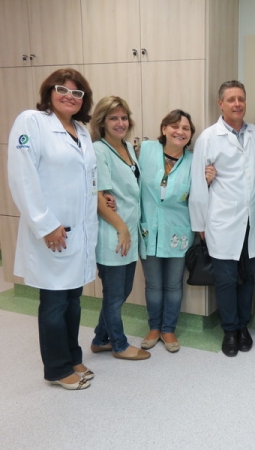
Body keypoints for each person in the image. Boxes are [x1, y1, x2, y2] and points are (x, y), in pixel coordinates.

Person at [8, 68, 97, 390]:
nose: (69, 97)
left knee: (73, 300)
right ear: (49, 92)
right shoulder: (32, 122)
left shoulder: (81, 131)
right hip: (52, 233)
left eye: (77, 93)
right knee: (55, 302)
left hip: (78, 231)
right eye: (62, 90)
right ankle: (57, 369)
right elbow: (23, 177)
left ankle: (72, 357)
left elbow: (86, 179)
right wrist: (45, 224)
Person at [189, 81, 255, 357]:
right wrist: (200, 224)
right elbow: (199, 183)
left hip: (252, 220)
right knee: (225, 279)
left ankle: (244, 326)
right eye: (231, 99)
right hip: (221, 220)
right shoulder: (209, 138)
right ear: (220, 104)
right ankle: (230, 330)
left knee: (248, 276)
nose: (237, 104)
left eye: (241, 99)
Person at [139, 110, 213, 354]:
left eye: (186, 128)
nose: (180, 131)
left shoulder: (193, 161)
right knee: (153, 285)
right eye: (175, 126)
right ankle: (154, 328)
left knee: (173, 284)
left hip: (178, 231)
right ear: (164, 129)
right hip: (149, 229)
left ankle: (168, 329)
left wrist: (207, 181)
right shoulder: (146, 150)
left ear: (190, 135)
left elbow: (198, 195)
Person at [89, 96, 149, 360]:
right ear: (102, 122)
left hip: (129, 232)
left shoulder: (127, 148)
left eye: (124, 118)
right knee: (114, 295)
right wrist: (121, 228)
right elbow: (99, 197)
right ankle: (119, 345)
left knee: (122, 291)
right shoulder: (98, 150)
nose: (120, 123)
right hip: (113, 232)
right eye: (113, 118)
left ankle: (100, 338)